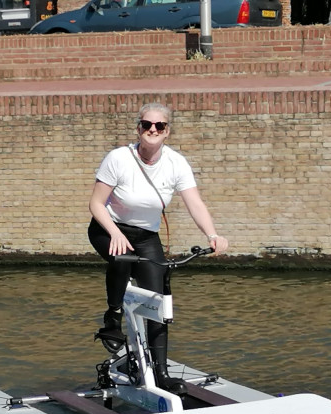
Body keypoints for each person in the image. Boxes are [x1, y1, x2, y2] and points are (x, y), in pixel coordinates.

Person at [87, 102, 229, 393]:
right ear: (138, 128)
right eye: (146, 125)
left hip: (146, 235)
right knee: (122, 258)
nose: (152, 130)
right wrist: (114, 232)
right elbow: (95, 204)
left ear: (167, 132)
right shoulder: (118, 158)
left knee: (158, 300)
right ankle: (113, 317)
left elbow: (195, 203)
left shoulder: (176, 164)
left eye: (159, 126)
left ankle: (161, 373)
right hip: (108, 228)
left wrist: (213, 235)